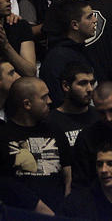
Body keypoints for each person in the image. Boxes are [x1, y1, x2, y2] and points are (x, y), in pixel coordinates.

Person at [0, 77, 71, 214]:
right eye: (44, 98)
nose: (50, 101)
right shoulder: (3, 137)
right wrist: (36, 207)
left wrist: (68, 201)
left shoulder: (55, 130)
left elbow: (68, 169)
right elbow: (5, 182)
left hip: (60, 212)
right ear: (27, 104)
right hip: (21, 213)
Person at [47, 61, 98, 147]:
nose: (90, 89)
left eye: (92, 83)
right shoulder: (51, 121)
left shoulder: (101, 115)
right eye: (83, 83)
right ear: (66, 86)